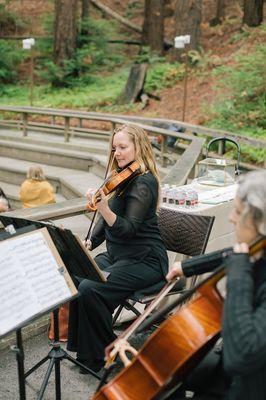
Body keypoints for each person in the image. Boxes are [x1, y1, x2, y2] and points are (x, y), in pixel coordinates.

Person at [67, 124, 168, 373]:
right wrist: (90, 241)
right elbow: (105, 223)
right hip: (118, 256)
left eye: (123, 147)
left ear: (139, 148)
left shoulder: (144, 182)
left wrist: (103, 208)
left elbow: (127, 229)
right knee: (79, 276)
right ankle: (88, 355)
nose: (117, 153)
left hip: (145, 260)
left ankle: (110, 353)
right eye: (114, 148)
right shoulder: (121, 178)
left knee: (92, 287)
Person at [166, 169, 266, 400]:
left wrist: (239, 276)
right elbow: (232, 253)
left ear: (260, 222)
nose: (231, 218)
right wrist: (186, 267)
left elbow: (241, 355)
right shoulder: (258, 247)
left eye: (238, 212)